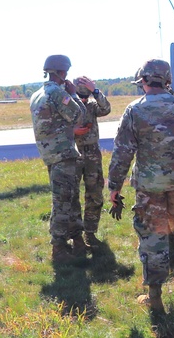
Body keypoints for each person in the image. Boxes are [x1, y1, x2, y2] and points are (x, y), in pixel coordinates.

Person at [108, 58, 174, 313]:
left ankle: (155, 297)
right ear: (167, 80)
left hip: (149, 187)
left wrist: (114, 186)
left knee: (153, 238)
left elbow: (123, 151)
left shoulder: (135, 110)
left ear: (144, 80)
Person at [30, 54, 88, 263]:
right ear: (62, 72)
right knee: (63, 202)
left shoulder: (37, 95)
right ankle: (59, 248)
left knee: (69, 199)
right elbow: (78, 116)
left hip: (51, 155)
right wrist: (72, 94)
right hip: (63, 154)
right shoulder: (57, 93)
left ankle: (77, 240)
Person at [73, 75, 111, 246]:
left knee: (95, 194)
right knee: (71, 196)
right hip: (72, 153)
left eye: (85, 97)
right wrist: (73, 132)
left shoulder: (92, 106)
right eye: (79, 96)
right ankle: (75, 235)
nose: (82, 100)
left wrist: (95, 91)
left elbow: (106, 108)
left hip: (92, 153)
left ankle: (90, 232)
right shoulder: (67, 106)